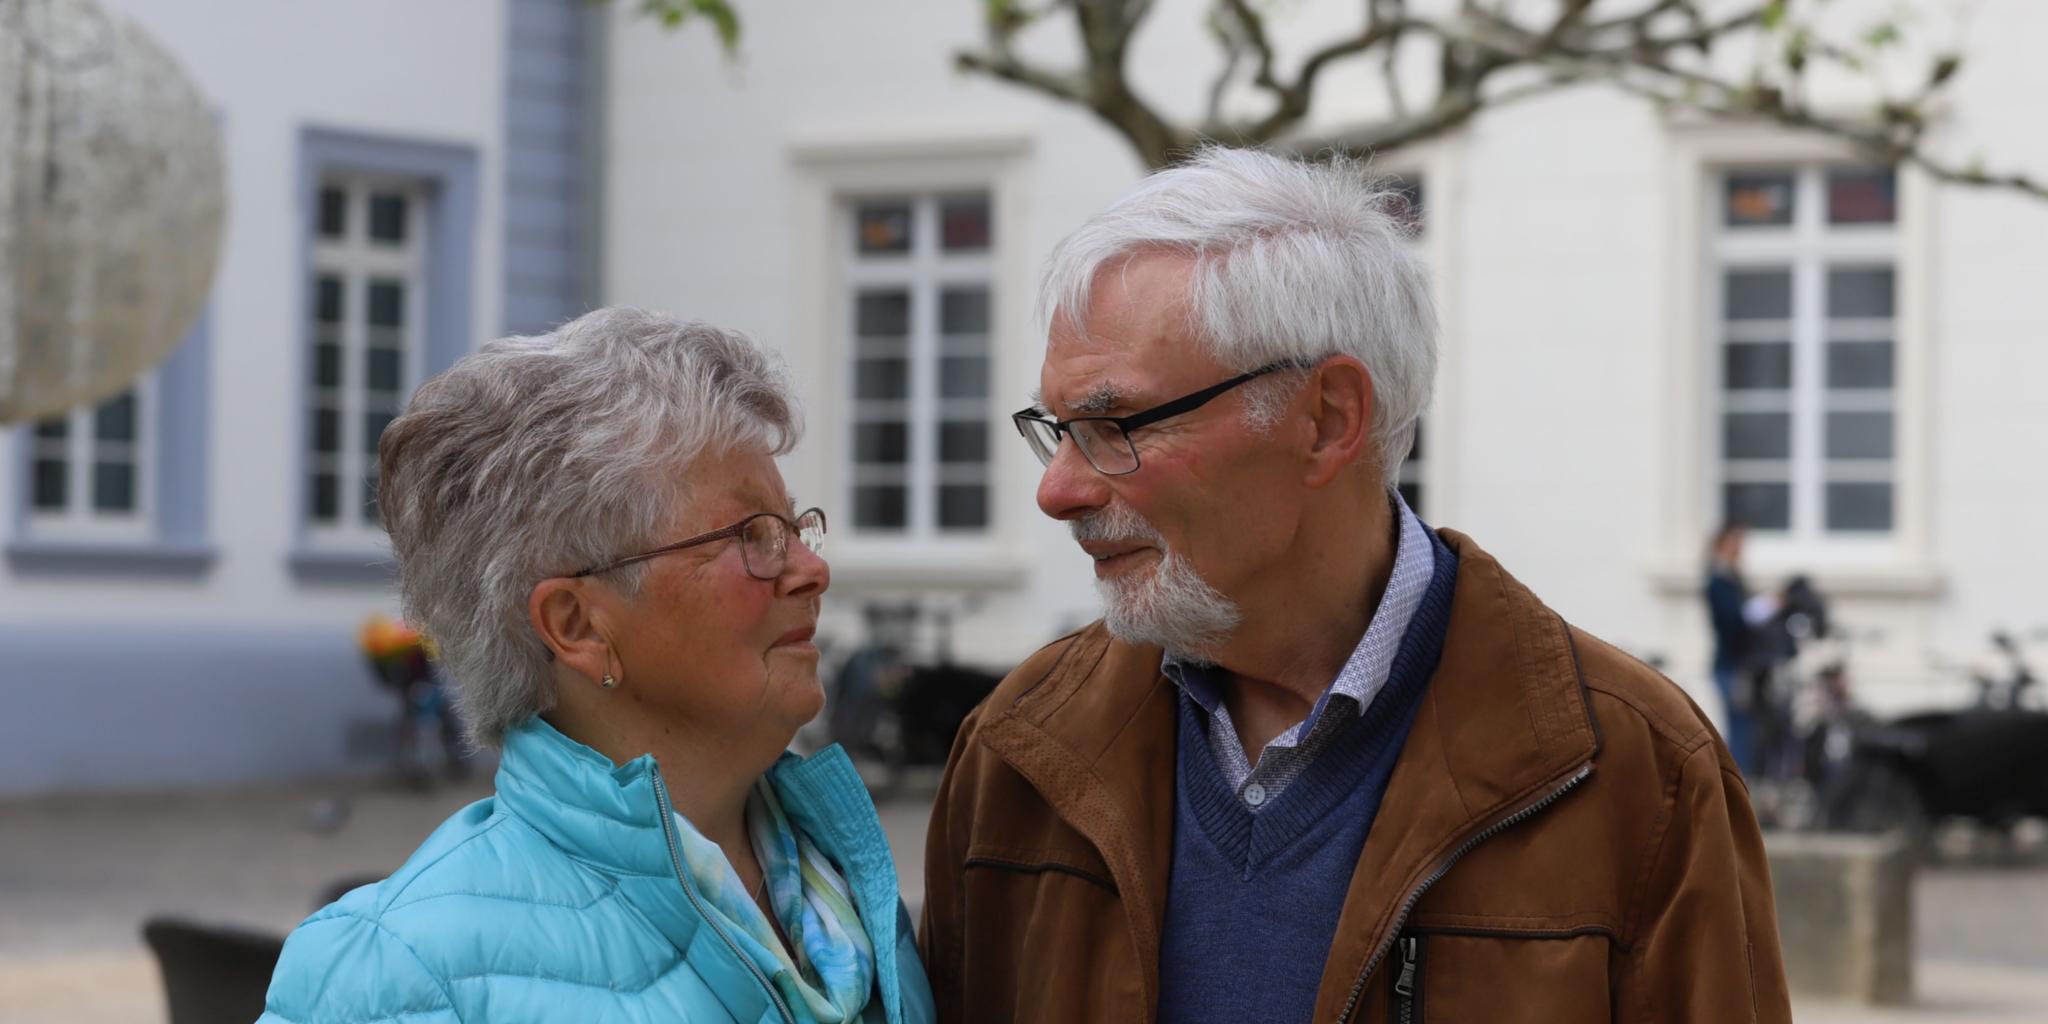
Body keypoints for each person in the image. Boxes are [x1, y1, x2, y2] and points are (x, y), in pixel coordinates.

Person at [922, 148, 1791, 1023]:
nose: (1056, 490)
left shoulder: (1636, 773)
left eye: (1113, 426)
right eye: (1056, 430)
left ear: (1329, 417)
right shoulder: (1019, 753)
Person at [261, 309, 934, 1024]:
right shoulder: (400, 978)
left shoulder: (846, 894)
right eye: (752, 535)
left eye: (795, 527)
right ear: (577, 626)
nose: (810, 570)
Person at [1706, 521, 1760, 776]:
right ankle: (1736, 782)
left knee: (1744, 727)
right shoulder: (1719, 580)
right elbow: (1732, 621)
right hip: (1731, 664)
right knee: (1739, 727)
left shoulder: (1733, 578)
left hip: (1739, 663)